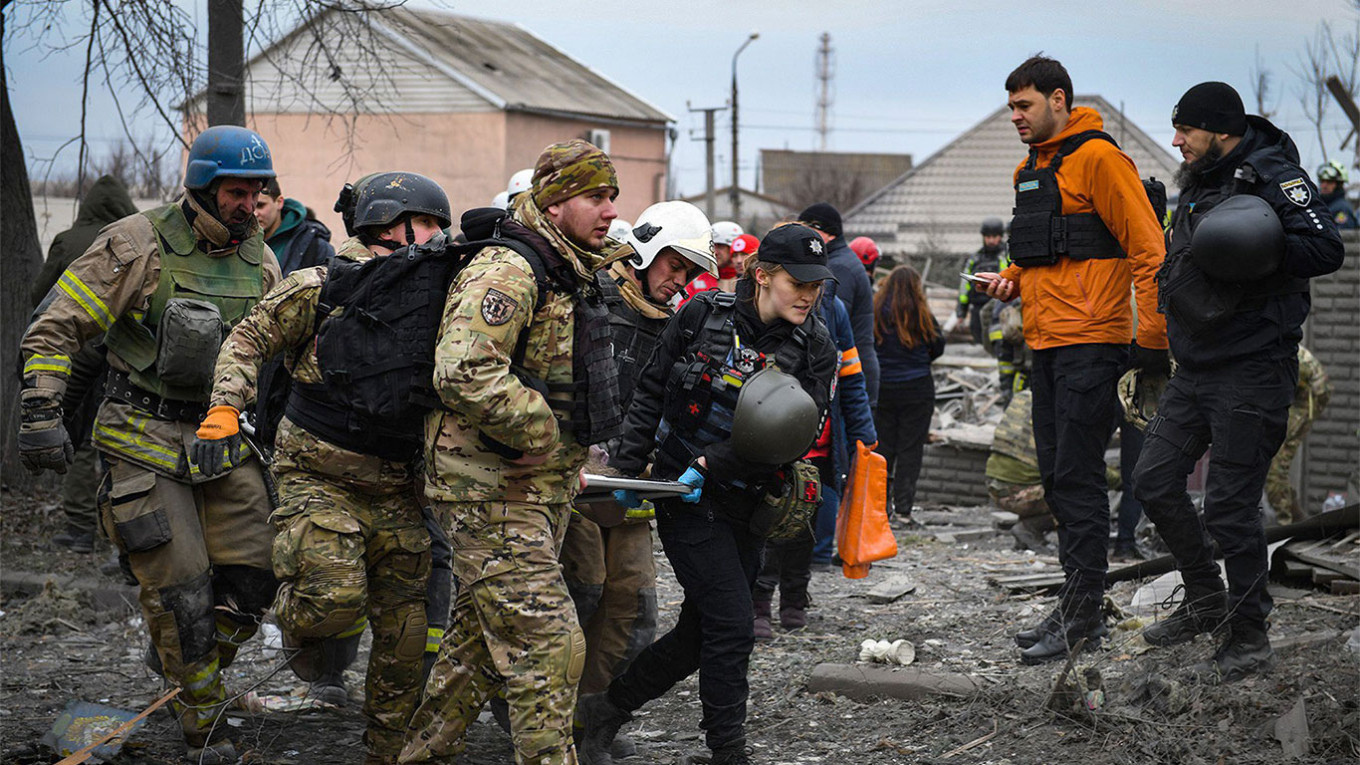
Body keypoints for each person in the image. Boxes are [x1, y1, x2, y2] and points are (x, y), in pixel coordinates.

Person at [19, 125, 281, 763]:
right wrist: (40, 411)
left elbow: (280, 349)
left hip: (222, 438)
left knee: (257, 577)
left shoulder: (263, 260)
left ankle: (185, 661)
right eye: (235, 193)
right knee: (183, 590)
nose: (249, 205)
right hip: (140, 433)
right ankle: (203, 724)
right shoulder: (136, 242)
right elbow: (56, 324)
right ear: (202, 188)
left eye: (256, 192)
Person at [206, 171, 452, 761]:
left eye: (437, 229)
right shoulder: (320, 287)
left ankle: (388, 748)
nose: (431, 239)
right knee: (331, 601)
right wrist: (224, 404)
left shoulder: (446, 300)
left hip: (401, 488)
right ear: (379, 229)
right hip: (318, 477)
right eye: (420, 226)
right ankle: (264, 606)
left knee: (403, 636)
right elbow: (249, 339)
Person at [576, 224, 838, 765]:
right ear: (762, 276)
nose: (809, 295)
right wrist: (626, 475)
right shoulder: (701, 316)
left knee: (701, 633)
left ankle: (604, 710)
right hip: (687, 498)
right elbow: (650, 392)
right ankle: (728, 754)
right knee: (732, 625)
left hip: (751, 500)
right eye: (798, 282)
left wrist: (714, 462)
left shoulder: (816, 346)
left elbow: (799, 434)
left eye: (816, 285)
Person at [401, 139, 624, 764]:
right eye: (595, 197)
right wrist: (542, 432)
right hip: (487, 490)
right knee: (549, 647)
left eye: (612, 197)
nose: (609, 210)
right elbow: (464, 369)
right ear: (554, 204)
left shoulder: (572, 267)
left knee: (472, 651)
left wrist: (567, 458)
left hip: (536, 491)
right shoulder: (509, 269)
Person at [1132, 81, 1343, 682]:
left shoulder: (1275, 175)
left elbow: (1326, 248)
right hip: (1195, 365)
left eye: (1186, 131)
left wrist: (1257, 249)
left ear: (1220, 129)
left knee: (1229, 507)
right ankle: (1205, 601)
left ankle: (1249, 635)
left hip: (1252, 366)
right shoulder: (1201, 177)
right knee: (1153, 480)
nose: (1177, 141)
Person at [979, 55, 1168, 665]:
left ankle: (1084, 615)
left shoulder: (1101, 160)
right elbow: (1044, 252)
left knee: (1078, 479)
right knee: (1059, 479)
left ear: (1058, 100)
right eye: (1011, 107)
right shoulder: (1030, 169)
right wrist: (1010, 279)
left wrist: (1155, 343)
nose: (1015, 117)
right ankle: (1076, 601)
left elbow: (1148, 249)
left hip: (1094, 341)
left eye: (1024, 105)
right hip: (1046, 342)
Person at [564, 200, 717, 755]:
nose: (680, 282)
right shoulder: (586, 298)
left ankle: (592, 722)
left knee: (633, 605)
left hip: (631, 479)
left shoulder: (677, 323)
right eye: (674, 266)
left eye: (689, 273)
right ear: (646, 251)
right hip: (567, 478)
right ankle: (540, 720)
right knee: (580, 589)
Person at [756, 265, 876, 635]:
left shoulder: (834, 311)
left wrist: (864, 434)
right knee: (767, 524)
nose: (807, 293)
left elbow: (851, 376)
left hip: (819, 443)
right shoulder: (763, 310)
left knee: (805, 527)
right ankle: (759, 602)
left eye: (814, 285)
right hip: (771, 441)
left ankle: (795, 599)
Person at [29, 174, 139, 554]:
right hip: (123, 363)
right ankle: (123, 537)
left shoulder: (68, 241)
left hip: (73, 360)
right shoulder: (138, 243)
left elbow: (37, 295)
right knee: (120, 446)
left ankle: (79, 529)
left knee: (78, 444)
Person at [872, 266, 945, 521]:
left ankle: (880, 508)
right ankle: (904, 510)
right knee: (911, 450)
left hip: (884, 389)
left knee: (883, 449)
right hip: (917, 389)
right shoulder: (921, 313)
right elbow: (938, 346)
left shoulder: (876, 312)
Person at [800, 202, 880, 408]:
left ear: (825, 233)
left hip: (851, 375)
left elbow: (829, 328)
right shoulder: (838, 261)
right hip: (853, 369)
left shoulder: (838, 268)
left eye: (805, 230)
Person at [1266, 346, 1332, 525]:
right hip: (1299, 388)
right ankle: (1295, 518)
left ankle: (1285, 524)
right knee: (1274, 462)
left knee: (1275, 466)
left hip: (1309, 393)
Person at [986, 389, 1056, 555]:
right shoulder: (1059, 408)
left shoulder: (1025, 397)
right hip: (1018, 493)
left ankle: (1024, 537)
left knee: (1037, 477)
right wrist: (1119, 480)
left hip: (994, 486)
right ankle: (1028, 529)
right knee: (1075, 497)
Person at [254, 177, 336, 275]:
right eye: (251, 205)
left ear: (279, 202)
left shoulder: (314, 246)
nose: (254, 213)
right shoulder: (239, 241)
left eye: (260, 205)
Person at [946, 218, 1008, 345]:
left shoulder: (1006, 256)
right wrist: (961, 312)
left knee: (999, 343)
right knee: (979, 342)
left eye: (994, 236)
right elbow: (964, 287)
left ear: (1000, 236)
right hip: (977, 310)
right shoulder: (975, 259)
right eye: (988, 236)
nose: (991, 240)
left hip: (999, 309)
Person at [683, 220, 744, 299]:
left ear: (733, 248)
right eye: (712, 246)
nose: (714, 251)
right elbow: (683, 308)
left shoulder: (749, 279)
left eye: (720, 246)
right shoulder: (697, 277)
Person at [1317, 160, 1358, 229]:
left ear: (1339, 185)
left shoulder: (1342, 209)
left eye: (1329, 182)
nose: (1324, 185)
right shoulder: (1320, 205)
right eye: (1322, 181)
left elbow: (1345, 237)